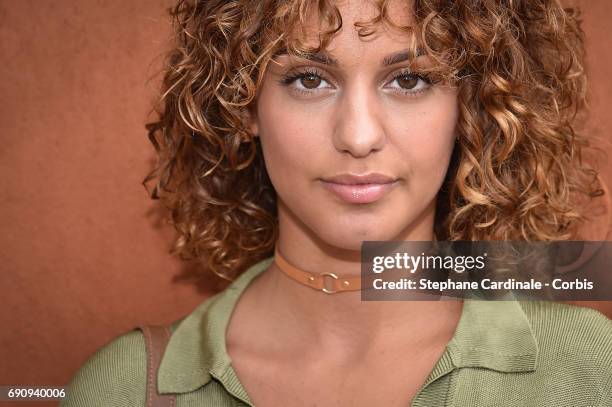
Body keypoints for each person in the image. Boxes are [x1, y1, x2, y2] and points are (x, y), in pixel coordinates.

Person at [61, 0, 612, 406]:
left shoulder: (591, 369)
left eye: (411, 80)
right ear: (243, 104)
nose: (358, 134)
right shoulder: (128, 388)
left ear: (471, 104)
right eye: (308, 79)